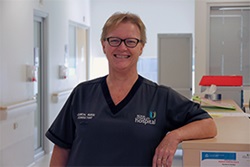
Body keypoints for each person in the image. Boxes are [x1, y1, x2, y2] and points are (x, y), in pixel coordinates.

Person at [46, 12, 217, 167]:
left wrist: (173, 136)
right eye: (114, 40)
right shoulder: (82, 93)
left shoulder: (160, 97)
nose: (122, 48)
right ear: (104, 45)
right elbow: (62, 149)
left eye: (130, 41)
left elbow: (208, 125)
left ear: (141, 47)